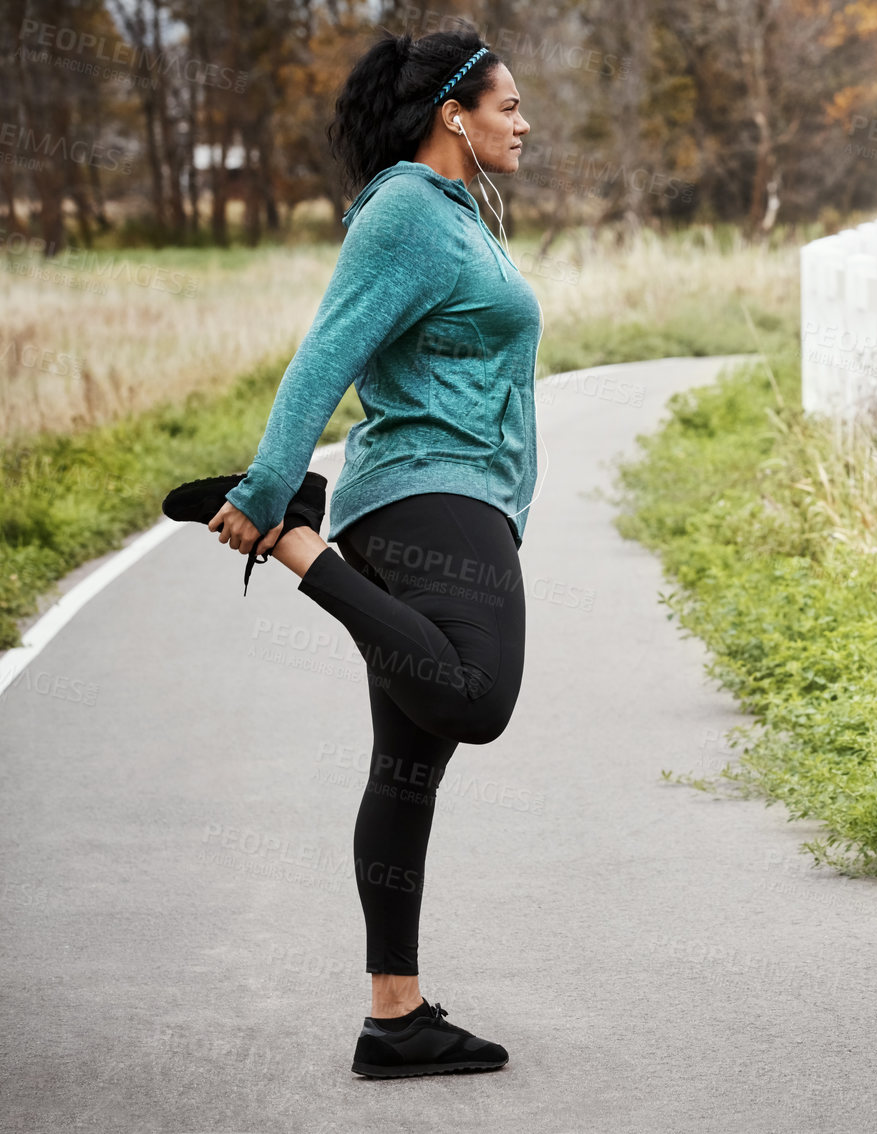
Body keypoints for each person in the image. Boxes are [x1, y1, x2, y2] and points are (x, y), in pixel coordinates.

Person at [165, 25, 540, 1078]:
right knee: (475, 699)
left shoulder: (459, 215)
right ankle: (297, 546)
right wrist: (265, 495)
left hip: (448, 503)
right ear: (452, 116)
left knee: (408, 766)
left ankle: (396, 1018)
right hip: (429, 500)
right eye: (506, 105)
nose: (523, 122)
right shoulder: (409, 214)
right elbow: (321, 357)